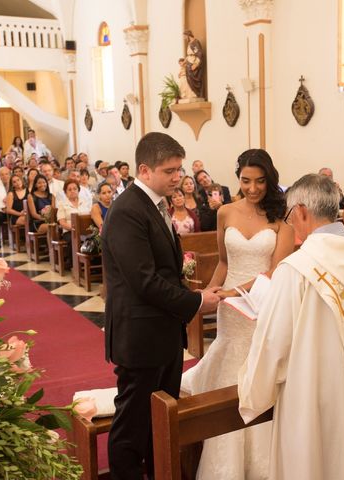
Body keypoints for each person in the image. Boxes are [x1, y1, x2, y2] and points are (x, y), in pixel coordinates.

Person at [238, 174, 344, 480]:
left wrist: (252, 390)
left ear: (302, 211)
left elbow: (273, 344)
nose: (292, 223)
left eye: (291, 216)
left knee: (310, 464)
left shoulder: (296, 269)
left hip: (308, 395)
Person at [102, 132, 221, 480]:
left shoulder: (155, 204)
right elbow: (144, 281)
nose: (177, 177)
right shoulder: (127, 210)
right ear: (144, 169)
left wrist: (192, 292)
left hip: (164, 333)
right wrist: (197, 301)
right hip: (140, 337)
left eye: (179, 169)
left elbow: (165, 271)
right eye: (169, 170)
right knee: (133, 426)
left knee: (161, 419)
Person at [181, 149, 294, 479]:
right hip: (230, 310)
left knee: (256, 373)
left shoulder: (281, 217)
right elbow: (224, 262)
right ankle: (224, 457)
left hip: (261, 304)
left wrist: (234, 292)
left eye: (260, 181)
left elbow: (276, 271)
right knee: (229, 367)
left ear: (269, 179)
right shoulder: (225, 212)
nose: (253, 188)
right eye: (246, 181)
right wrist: (209, 294)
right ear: (237, 179)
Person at [57, 179, 91, 267]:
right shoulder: (62, 204)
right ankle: (74, 264)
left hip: (86, 231)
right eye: (70, 189)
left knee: (95, 239)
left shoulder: (85, 202)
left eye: (75, 189)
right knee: (74, 239)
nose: (72, 191)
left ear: (78, 190)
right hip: (70, 231)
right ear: (65, 192)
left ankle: (91, 263)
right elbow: (62, 222)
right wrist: (74, 228)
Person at [183, 30, 205, 99]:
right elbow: (190, 54)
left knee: (194, 79)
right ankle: (192, 94)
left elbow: (199, 54)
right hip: (189, 62)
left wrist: (196, 64)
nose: (184, 38)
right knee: (188, 78)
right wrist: (185, 60)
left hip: (193, 63)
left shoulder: (195, 42)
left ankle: (197, 94)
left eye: (184, 36)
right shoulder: (189, 43)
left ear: (188, 35)